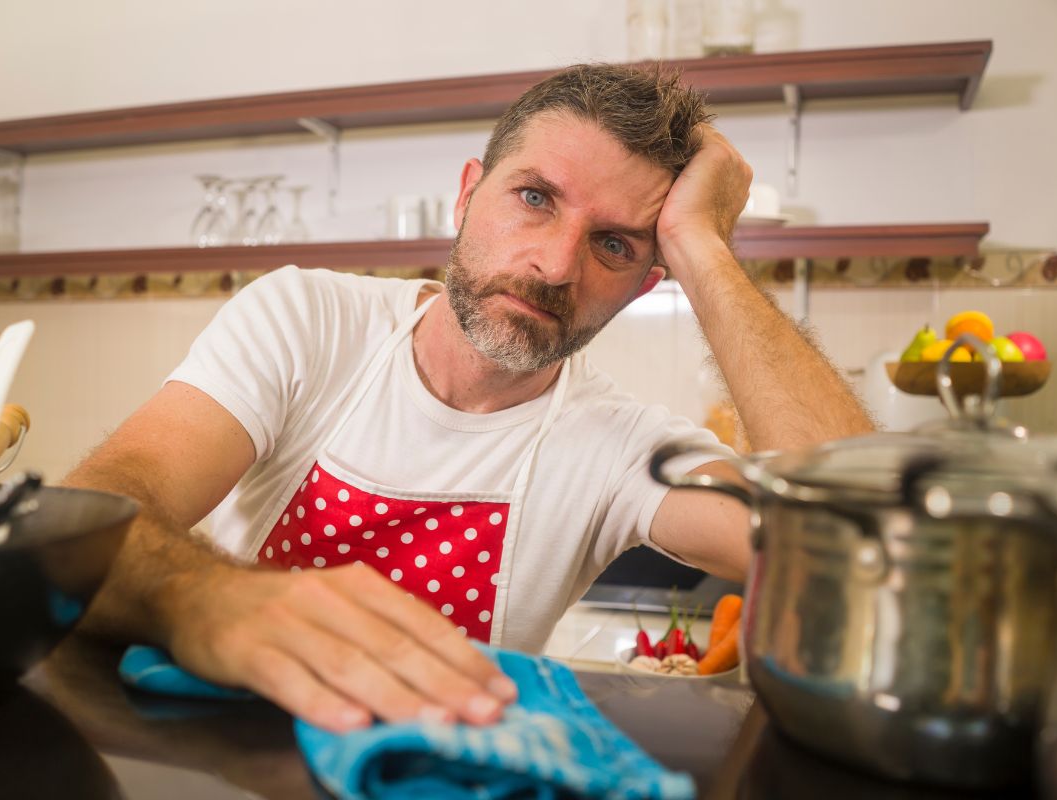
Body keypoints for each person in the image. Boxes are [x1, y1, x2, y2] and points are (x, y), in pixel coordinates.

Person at [65, 63, 873, 734]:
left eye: (614, 244)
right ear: (466, 195)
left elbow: (856, 552)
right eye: (535, 197)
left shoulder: (621, 448)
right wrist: (206, 601)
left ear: (643, 287)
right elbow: (91, 514)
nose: (556, 265)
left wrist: (705, 248)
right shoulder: (306, 322)